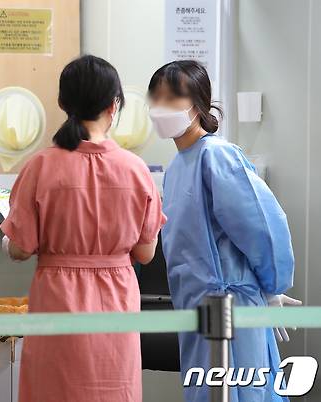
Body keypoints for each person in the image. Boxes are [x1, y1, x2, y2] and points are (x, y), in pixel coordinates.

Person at [0, 55, 166, 402]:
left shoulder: (40, 167)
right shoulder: (136, 170)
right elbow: (146, 253)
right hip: (117, 297)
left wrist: (9, 242)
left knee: (55, 388)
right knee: (113, 388)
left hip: (57, 297)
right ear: (113, 104)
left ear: (63, 104)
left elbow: (20, 248)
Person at [148, 60, 299, 402]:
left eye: (174, 98)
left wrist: (273, 287)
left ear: (198, 103)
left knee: (240, 392)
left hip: (232, 307)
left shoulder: (217, 156)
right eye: (157, 98)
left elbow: (261, 224)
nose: (162, 107)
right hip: (196, 309)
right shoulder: (175, 170)